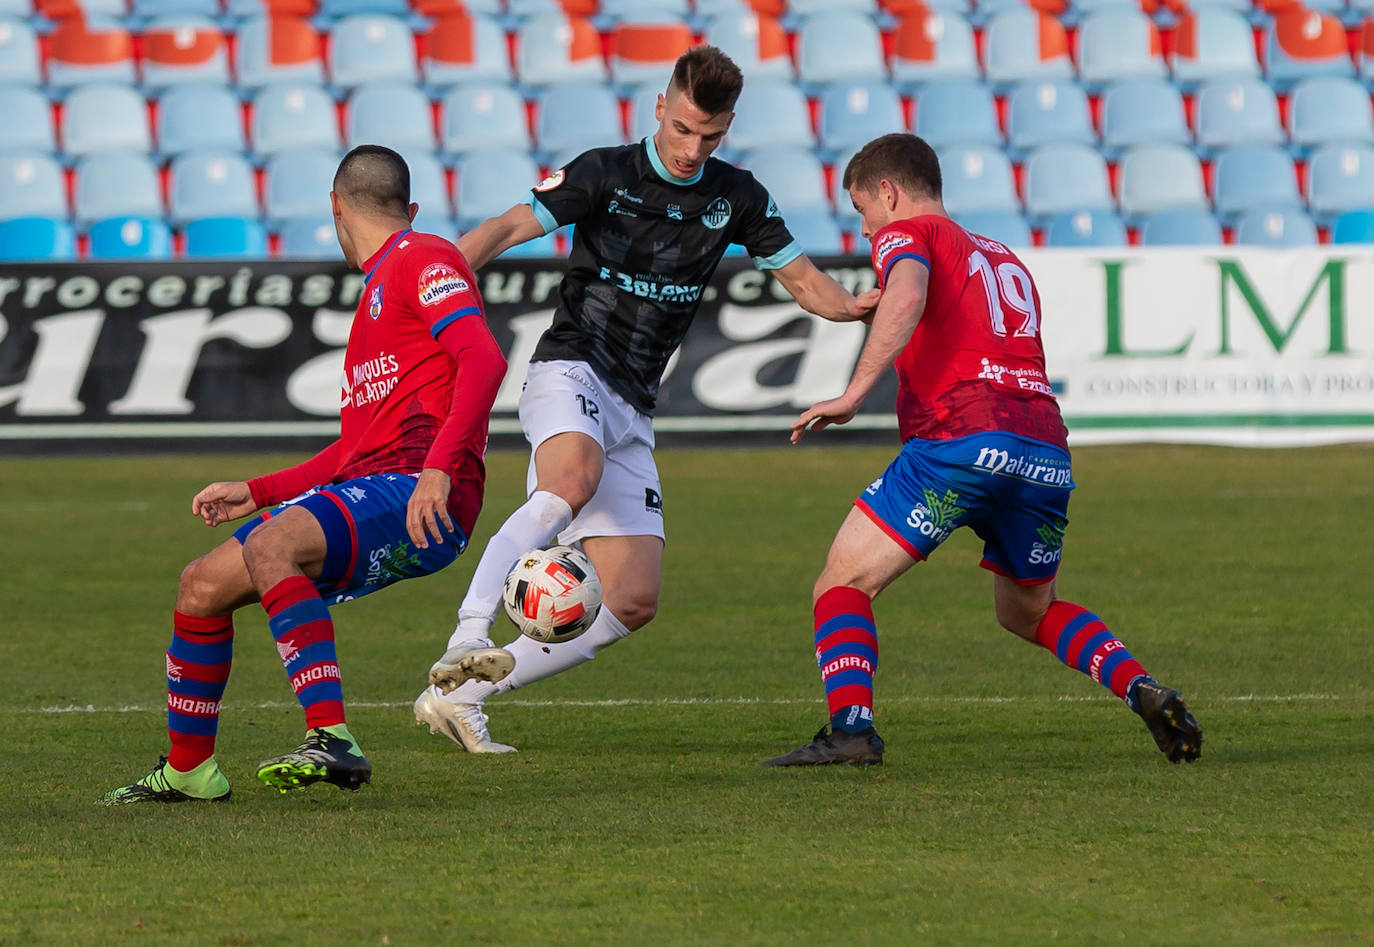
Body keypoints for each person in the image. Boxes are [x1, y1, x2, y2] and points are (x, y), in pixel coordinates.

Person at [412, 45, 879, 753]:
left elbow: (807, 281)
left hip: (634, 404)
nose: (694, 148)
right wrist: (435, 286)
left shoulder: (737, 196)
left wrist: (858, 308)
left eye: (711, 136)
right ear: (659, 107)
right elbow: (507, 227)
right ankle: (469, 629)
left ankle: (462, 693)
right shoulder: (604, 172)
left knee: (633, 598)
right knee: (571, 481)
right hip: (570, 369)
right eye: (684, 129)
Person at [762, 133, 1203, 768]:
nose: (864, 230)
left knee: (843, 582)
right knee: (1029, 612)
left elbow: (910, 294)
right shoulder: (1002, 257)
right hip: (1044, 450)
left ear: (888, 192)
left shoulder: (905, 234)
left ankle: (852, 729)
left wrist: (855, 391)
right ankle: (1140, 687)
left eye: (862, 210)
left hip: (961, 440)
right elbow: (954, 322)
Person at [99, 145, 511, 804]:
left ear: (335, 206)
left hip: (425, 492)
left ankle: (332, 736)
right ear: (408, 206)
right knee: (201, 584)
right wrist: (258, 490)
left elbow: (484, 360)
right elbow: (353, 453)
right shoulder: (380, 290)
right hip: (381, 482)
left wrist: (438, 468)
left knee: (273, 546)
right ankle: (189, 769)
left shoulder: (423, 258)